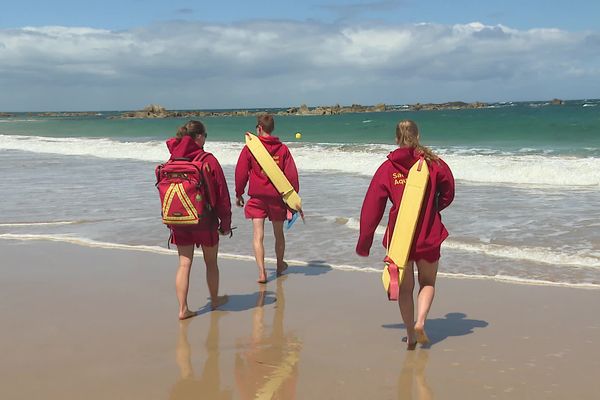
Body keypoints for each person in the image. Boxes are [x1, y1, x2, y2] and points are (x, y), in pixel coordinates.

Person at [356, 120, 454, 349]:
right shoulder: (434, 164)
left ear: (396, 138)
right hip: (428, 233)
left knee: (405, 288)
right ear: (418, 136)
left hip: (399, 239)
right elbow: (449, 192)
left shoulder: (388, 168)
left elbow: (372, 206)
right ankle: (421, 321)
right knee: (428, 282)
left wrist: (365, 241)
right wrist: (433, 208)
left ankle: (410, 334)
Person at [165, 120, 232, 319]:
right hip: (205, 220)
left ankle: (182, 309)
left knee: (184, 264)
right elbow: (222, 195)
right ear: (199, 137)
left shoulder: (172, 160)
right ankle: (215, 299)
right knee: (211, 263)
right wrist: (225, 224)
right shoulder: (208, 160)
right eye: (205, 135)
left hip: (179, 220)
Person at [235, 114, 299, 283]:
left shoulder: (250, 148)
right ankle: (279, 265)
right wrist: (292, 200)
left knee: (258, 235)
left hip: (257, 198)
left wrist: (238, 192)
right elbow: (292, 176)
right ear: (272, 128)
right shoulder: (283, 149)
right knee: (279, 234)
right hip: (277, 199)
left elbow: (241, 172)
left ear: (260, 128)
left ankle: (262, 273)